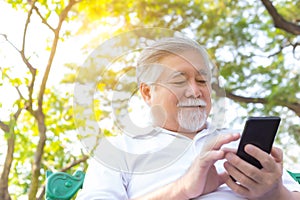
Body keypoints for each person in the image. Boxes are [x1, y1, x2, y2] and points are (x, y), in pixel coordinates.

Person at [76, 36, 300, 199]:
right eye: (179, 81)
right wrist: (183, 188)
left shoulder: (241, 143)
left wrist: (275, 192)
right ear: (147, 92)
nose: (195, 91)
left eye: (202, 81)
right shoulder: (117, 151)